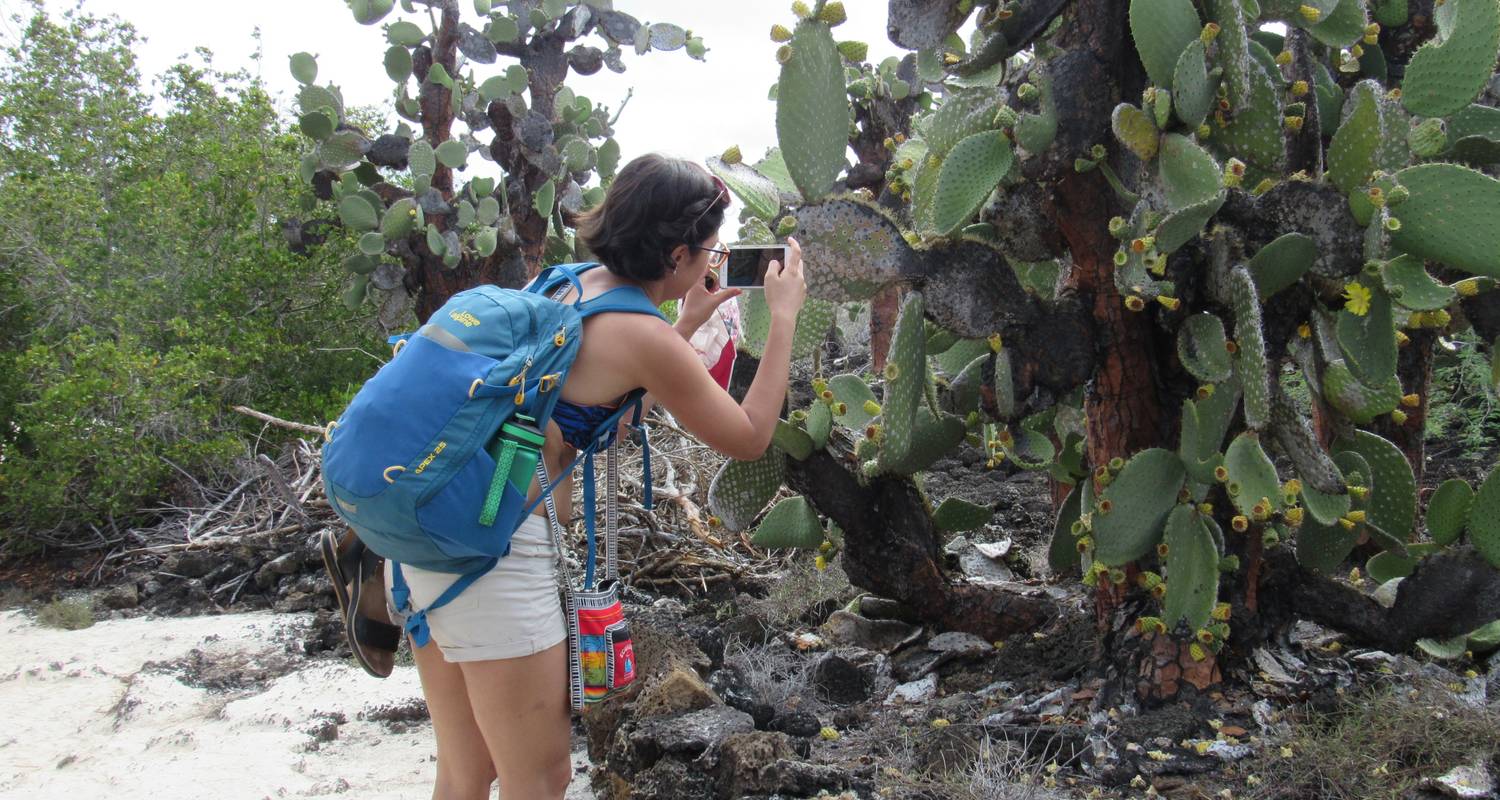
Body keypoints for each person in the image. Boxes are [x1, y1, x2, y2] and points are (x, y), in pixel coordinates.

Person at [385, 153, 807, 799]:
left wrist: (686, 319)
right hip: (490, 554)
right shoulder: (645, 337)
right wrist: (783, 319)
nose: (712, 261)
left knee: (466, 771)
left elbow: (596, 403)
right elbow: (749, 438)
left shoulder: (566, 284)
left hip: (424, 525)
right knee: (543, 776)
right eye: (709, 250)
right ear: (676, 255)